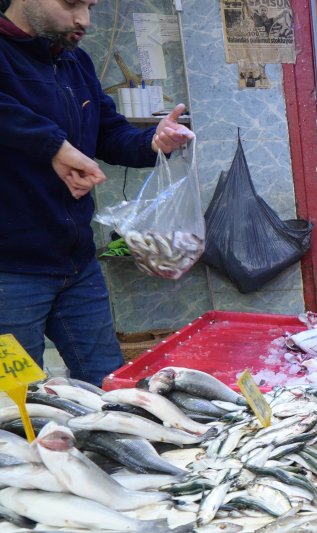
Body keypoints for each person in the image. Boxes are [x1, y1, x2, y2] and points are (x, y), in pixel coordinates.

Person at [0, 0, 194, 387]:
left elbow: (109, 133)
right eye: (71, 3)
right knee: (20, 398)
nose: (84, 19)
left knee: (109, 385)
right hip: (10, 272)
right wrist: (54, 145)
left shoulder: (74, 61)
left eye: (89, 5)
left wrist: (153, 142)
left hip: (77, 263)